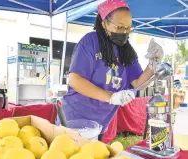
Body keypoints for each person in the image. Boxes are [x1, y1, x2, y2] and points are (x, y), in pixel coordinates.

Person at [56, 0, 164, 141]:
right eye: (119, 27)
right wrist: (110, 97)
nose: (124, 32)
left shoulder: (126, 51)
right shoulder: (90, 42)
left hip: (100, 123)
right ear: (104, 23)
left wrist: (153, 63)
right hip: (74, 119)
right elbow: (75, 80)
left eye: (128, 28)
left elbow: (138, 83)